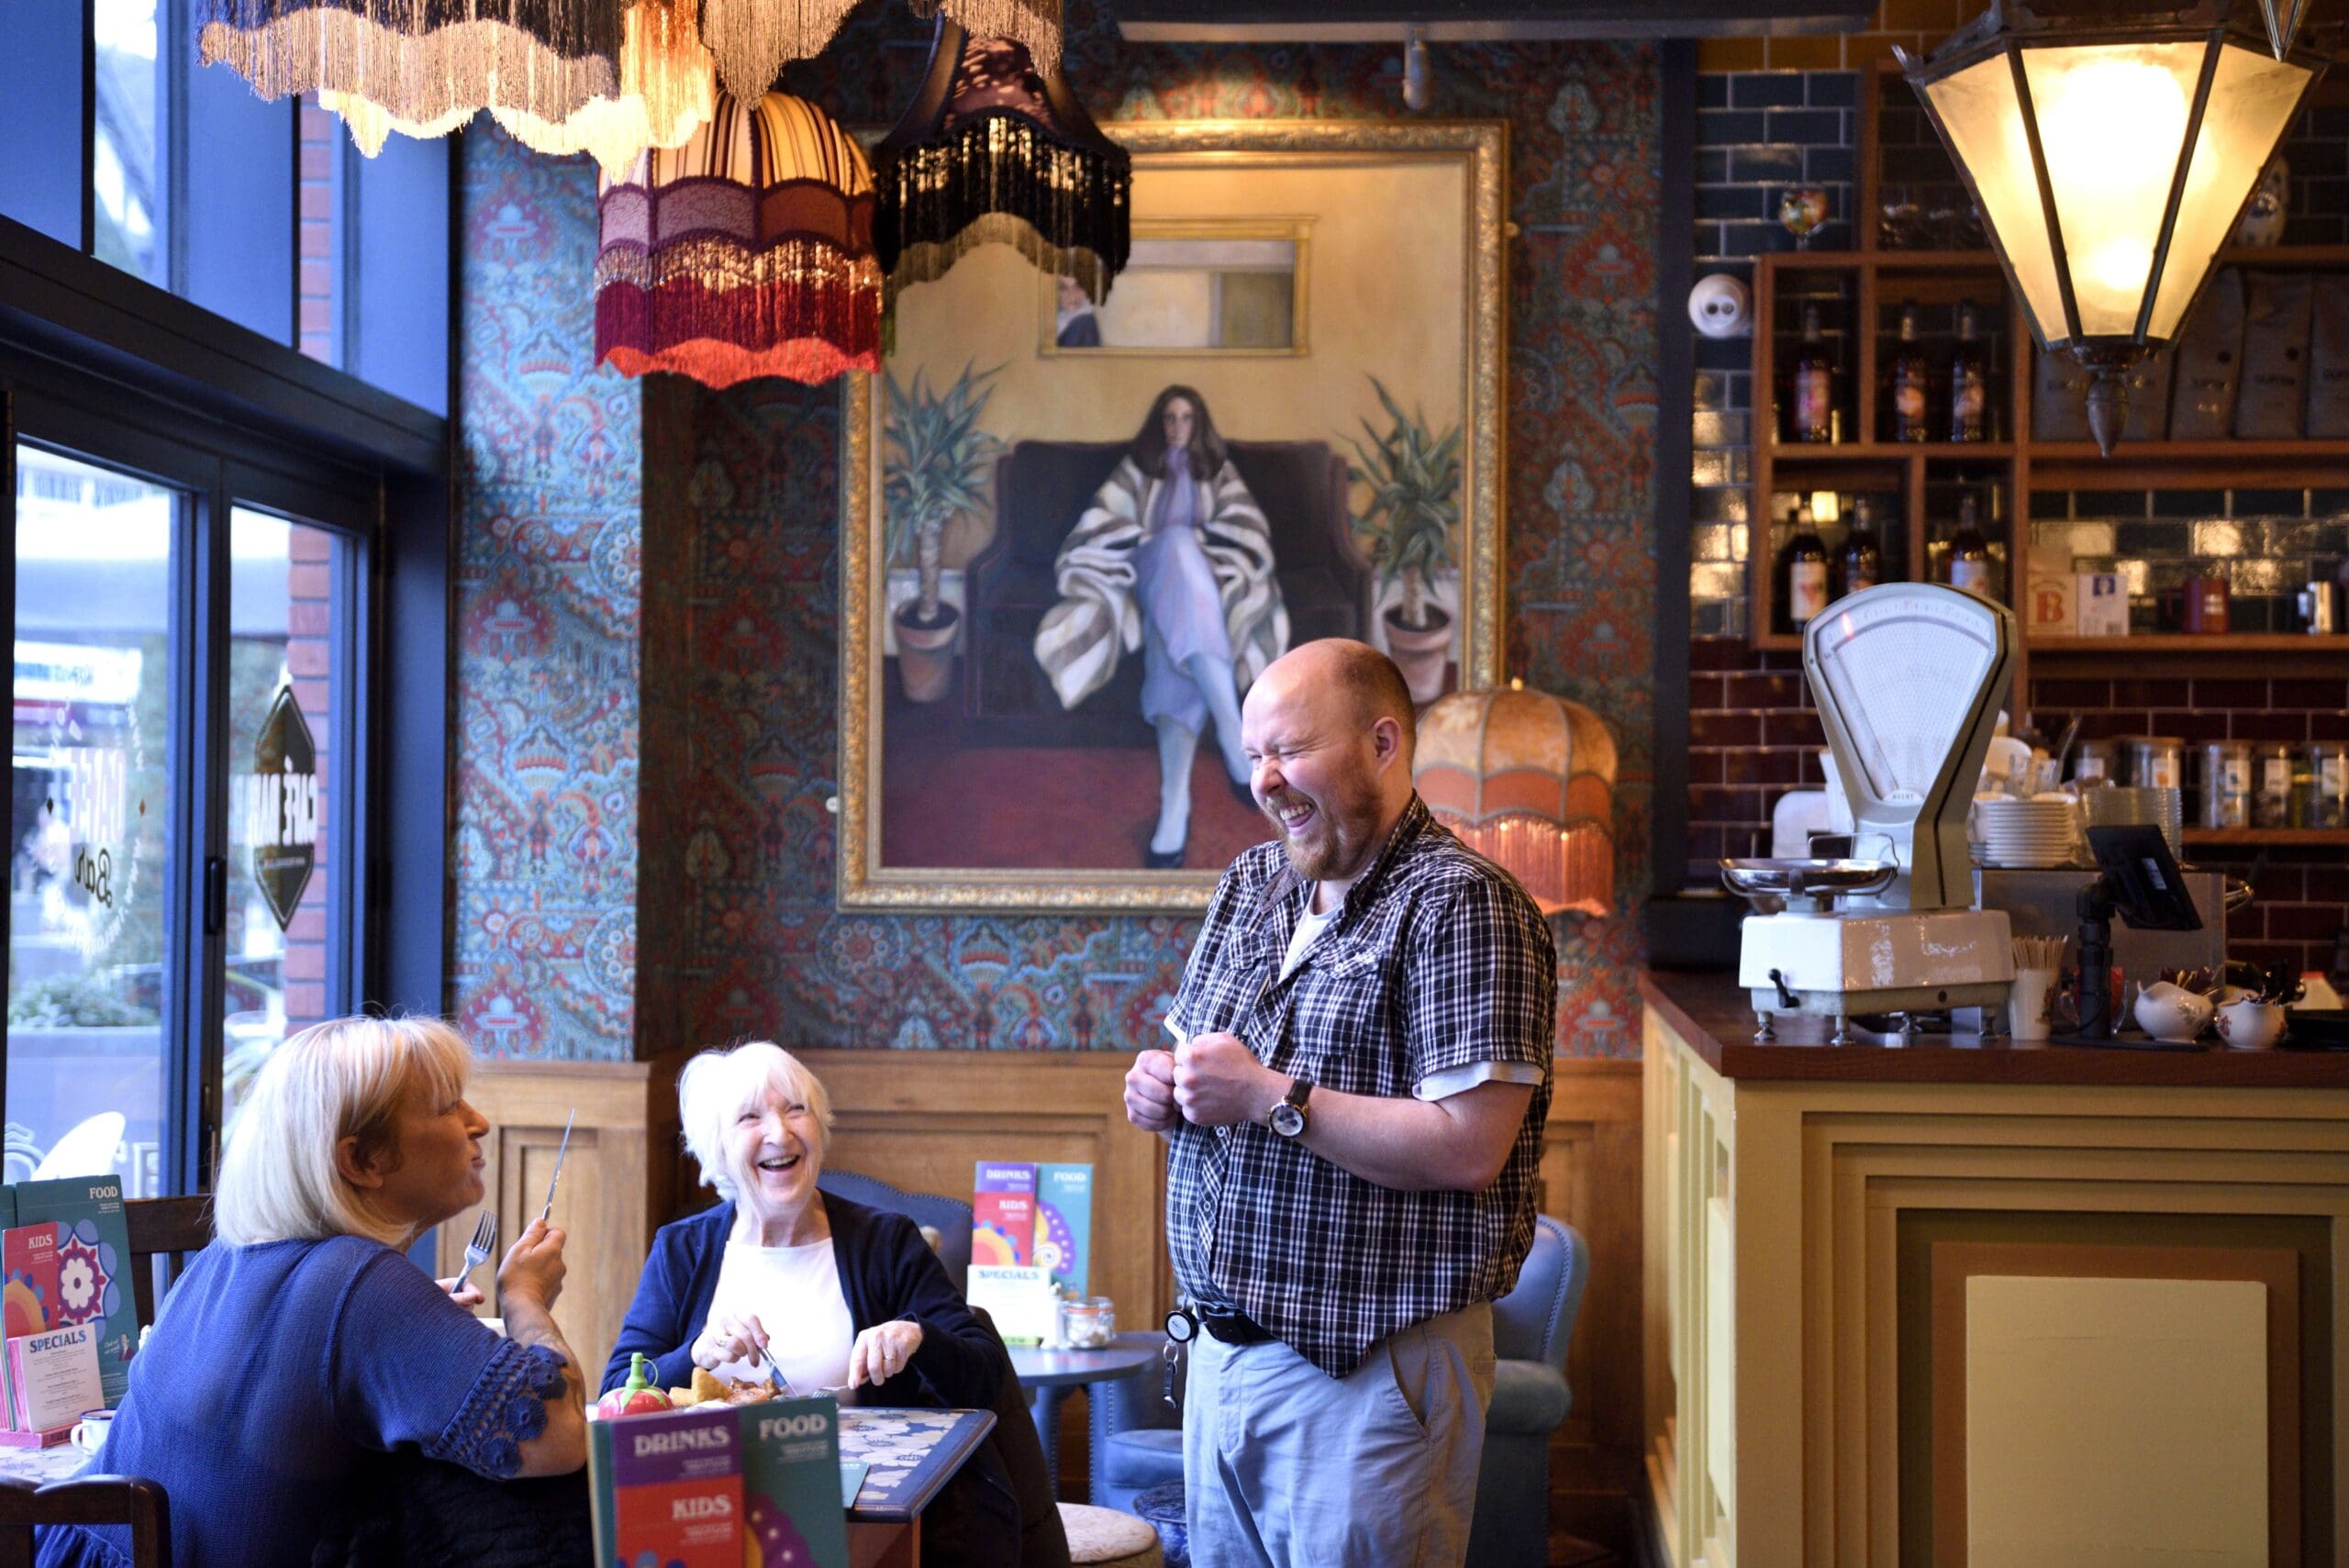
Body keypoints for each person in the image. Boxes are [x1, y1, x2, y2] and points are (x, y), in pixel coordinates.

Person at [1121, 638, 1555, 1568]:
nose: (1265, 780)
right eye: (1252, 755)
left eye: (1288, 749)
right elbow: (1205, 1064)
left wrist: (1267, 1095)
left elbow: (1469, 1145)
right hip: (1220, 1362)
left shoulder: (1464, 904)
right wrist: (1162, 1087)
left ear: (1383, 743)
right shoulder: (1249, 884)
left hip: (1367, 1379)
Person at [38, 1017, 587, 1568]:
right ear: (362, 1160)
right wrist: (525, 1297)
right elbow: (560, 1437)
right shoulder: (360, 1283)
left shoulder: (224, 1257)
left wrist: (415, 1322)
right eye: (448, 1106)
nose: (480, 1123)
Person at [605, 1042, 1029, 1568]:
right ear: (718, 1146)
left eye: (795, 1109)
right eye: (751, 1118)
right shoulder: (681, 1250)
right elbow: (616, 1394)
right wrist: (698, 1353)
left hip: (865, 1523)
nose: (780, 1133)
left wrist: (917, 1337)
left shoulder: (886, 1242)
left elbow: (985, 1376)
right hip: (710, 1513)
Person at [1033, 385, 1289, 868]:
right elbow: (1098, 524)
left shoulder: (1217, 472)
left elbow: (1248, 530)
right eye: (1169, 418)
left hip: (1194, 593)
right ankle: (1235, 734)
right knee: (1172, 546)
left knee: (1171, 642)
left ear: (1198, 424)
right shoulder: (1137, 471)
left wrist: (1199, 542)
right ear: (1159, 423)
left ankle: (1175, 807)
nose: (1177, 427)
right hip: (1147, 573)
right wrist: (1159, 537)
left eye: (1186, 418)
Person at [1054, 274, 1102, 348]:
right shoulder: (1053, 316)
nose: (1072, 295)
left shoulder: (1085, 322)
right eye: (1064, 289)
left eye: (1077, 288)